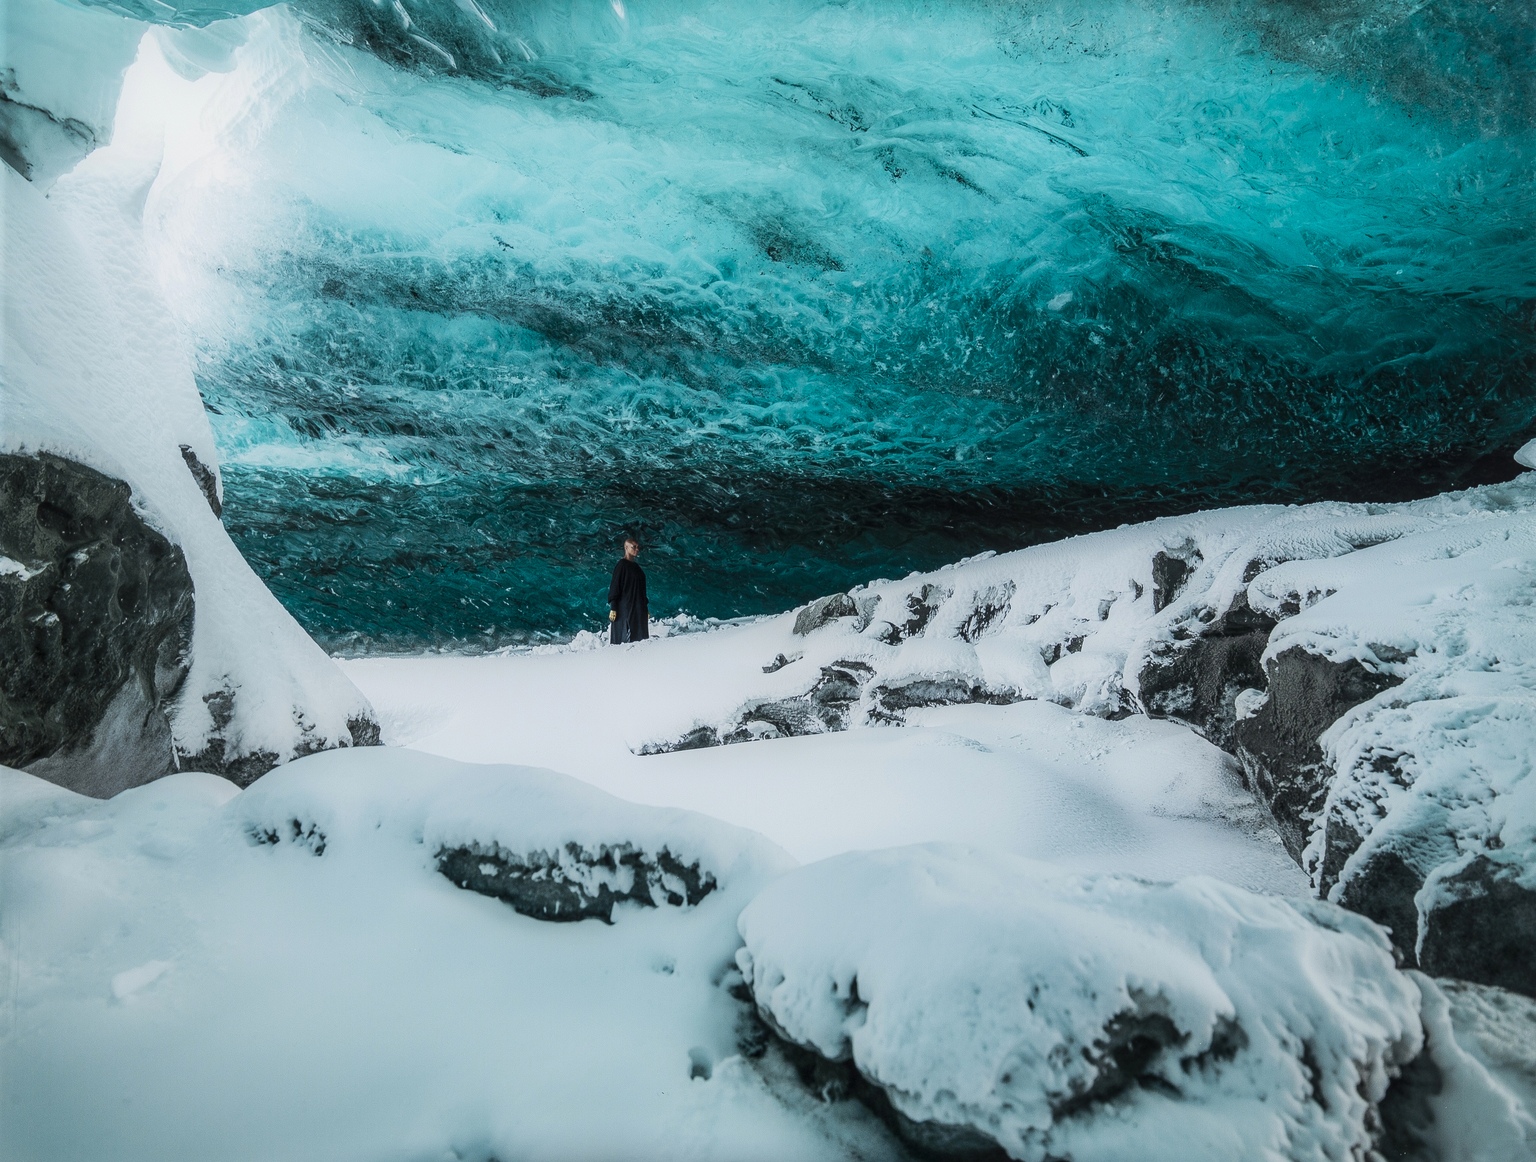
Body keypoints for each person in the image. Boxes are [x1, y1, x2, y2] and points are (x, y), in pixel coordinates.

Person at [608, 534, 649, 644]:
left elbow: (641, 589)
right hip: (625, 607)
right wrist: (613, 607)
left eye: (637, 547)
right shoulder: (621, 565)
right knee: (625, 637)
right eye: (633, 547)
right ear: (626, 548)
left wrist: (645, 607)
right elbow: (615, 586)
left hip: (638, 608)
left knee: (640, 638)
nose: (637, 549)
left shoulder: (637, 568)